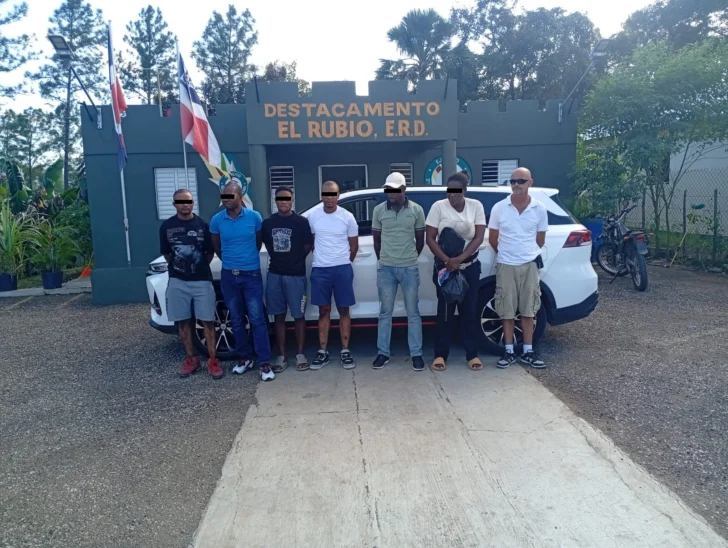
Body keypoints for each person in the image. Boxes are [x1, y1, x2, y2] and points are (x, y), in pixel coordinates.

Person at [210, 182, 274, 382]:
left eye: (230, 196)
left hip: (251, 275)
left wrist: (245, 261)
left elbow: (258, 243)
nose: (226, 200)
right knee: (236, 319)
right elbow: (217, 247)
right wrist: (232, 262)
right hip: (229, 276)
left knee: (257, 319)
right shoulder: (217, 220)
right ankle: (244, 358)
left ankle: (264, 362)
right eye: (224, 196)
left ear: (240, 196)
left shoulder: (254, 217)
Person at [425, 171, 487, 371]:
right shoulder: (438, 207)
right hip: (445, 268)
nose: (452, 195)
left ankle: (472, 354)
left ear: (465, 190)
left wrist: (460, 259)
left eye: (456, 191)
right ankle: (440, 354)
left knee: (469, 311)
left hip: (469, 267)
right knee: (445, 312)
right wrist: (447, 260)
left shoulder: (475, 206)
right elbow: (430, 238)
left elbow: (478, 237)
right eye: (449, 191)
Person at [159, 188, 223, 379]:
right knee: (184, 321)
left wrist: (198, 267)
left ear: (193, 203)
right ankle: (191, 359)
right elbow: (167, 254)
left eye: (188, 201)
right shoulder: (166, 227)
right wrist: (181, 268)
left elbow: (210, 253)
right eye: (180, 202)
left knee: (208, 321)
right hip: (178, 281)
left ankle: (213, 360)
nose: (185, 205)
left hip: (202, 281)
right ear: (174, 204)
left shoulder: (203, 225)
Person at [488, 167, 548, 369]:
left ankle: (528, 351)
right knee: (506, 309)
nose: (515, 185)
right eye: (512, 181)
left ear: (530, 182)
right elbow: (493, 239)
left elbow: (540, 240)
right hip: (506, 264)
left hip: (530, 264)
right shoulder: (499, 208)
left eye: (520, 181)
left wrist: (525, 254)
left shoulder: (539, 209)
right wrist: (508, 254)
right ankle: (509, 351)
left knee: (528, 310)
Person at [371, 172, 426, 371]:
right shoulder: (378, 210)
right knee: (385, 312)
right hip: (386, 268)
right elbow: (376, 241)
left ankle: (416, 354)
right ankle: (383, 353)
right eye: (388, 189)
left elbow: (420, 240)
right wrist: (384, 259)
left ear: (403, 189)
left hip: (409, 267)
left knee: (413, 312)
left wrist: (409, 257)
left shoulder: (416, 210)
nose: (391, 193)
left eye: (394, 189)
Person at [307, 181, 359, 370]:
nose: (329, 198)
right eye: (325, 194)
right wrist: (324, 259)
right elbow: (312, 242)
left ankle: (345, 350)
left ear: (338, 196)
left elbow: (354, 246)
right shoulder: (313, 216)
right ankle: (323, 351)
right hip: (320, 269)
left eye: (333, 194)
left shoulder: (347, 217)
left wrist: (343, 261)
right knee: (324, 311)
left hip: (342, 268)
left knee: (344, 310)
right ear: (321, 195)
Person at [262, 186, 313, 373]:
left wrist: (295, 261)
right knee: (278, 316)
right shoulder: (268, 223)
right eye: (280, 198)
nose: (283, 201)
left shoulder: (302, 222)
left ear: (292, 200)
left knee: (299, 315)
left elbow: (307, 246)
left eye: (287, 198)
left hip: (296, 275)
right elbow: (267, 244)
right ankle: (282, 355)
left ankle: (300, 354)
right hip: (275, 274)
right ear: (275, 201)